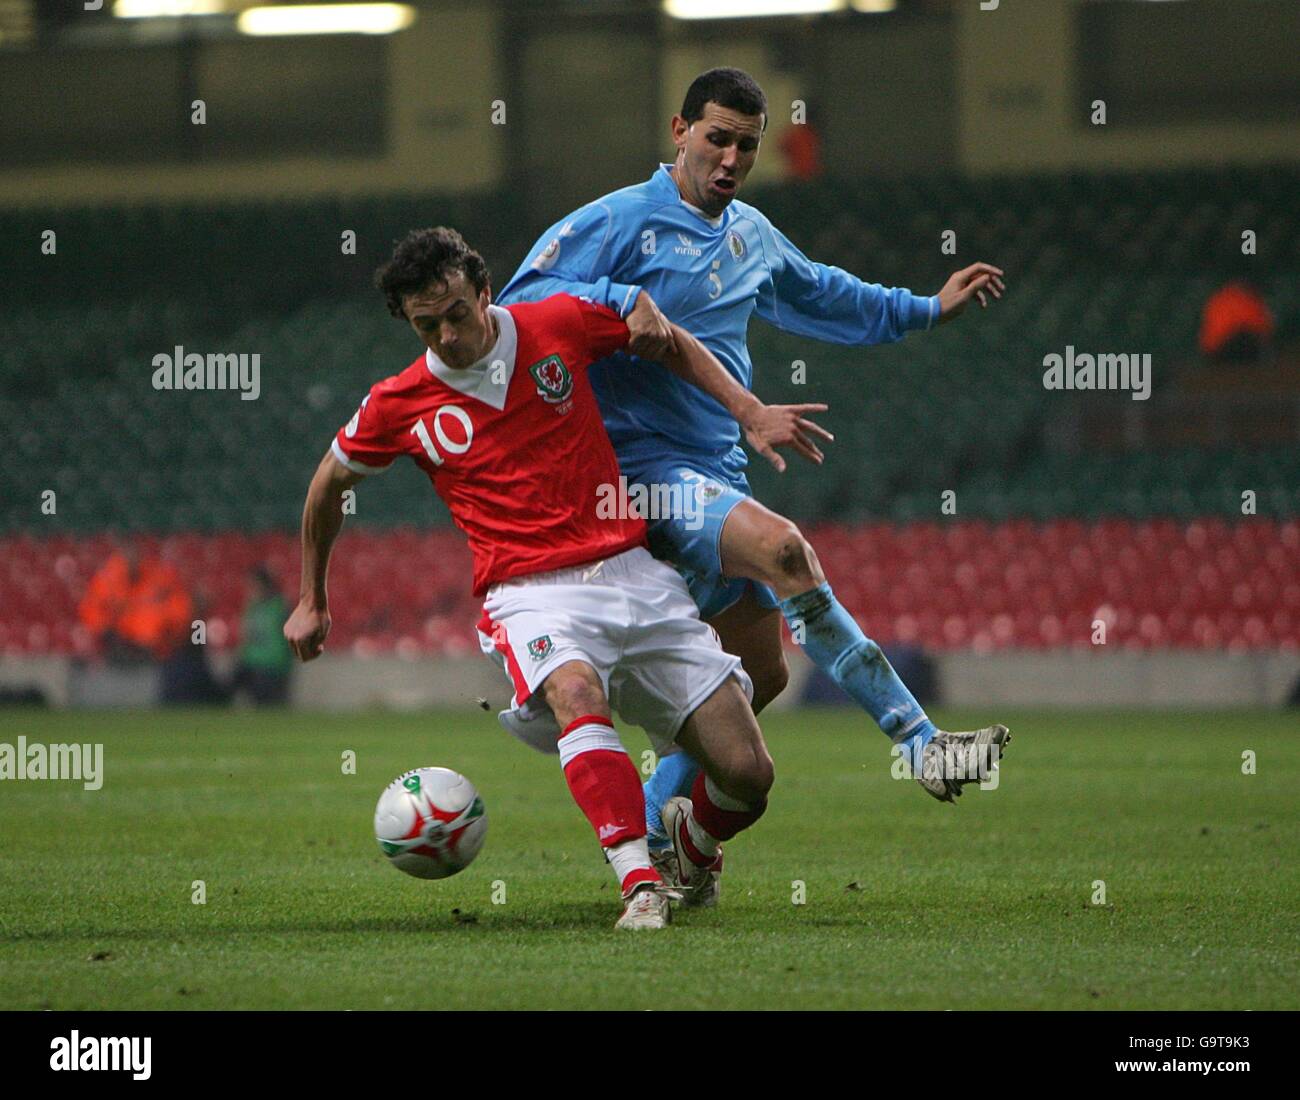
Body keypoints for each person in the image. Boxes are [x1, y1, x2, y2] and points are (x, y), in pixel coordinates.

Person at [498, 67, 1012, 864]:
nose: (731, 157)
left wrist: (925, 307)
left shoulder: (751, 235)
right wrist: (621, 303)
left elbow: (828, 296)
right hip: (635, 475)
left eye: (747, 144)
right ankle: (922, 743)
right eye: (717, 138)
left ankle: (673, 836)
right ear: (679, 132)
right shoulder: (619, 220)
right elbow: (524, 298)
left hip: (715, 474)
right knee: (785, 551)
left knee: (756, 680)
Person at [283, 227, 826, 929]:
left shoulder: (556, 322)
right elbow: (328, 486)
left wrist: (747, 410)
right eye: (427, 324)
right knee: (575, 690)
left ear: (484, 292)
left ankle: (690, 847)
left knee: (749, 774)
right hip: (530, 594)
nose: (447, 334)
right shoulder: (399, 403)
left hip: (635, 573)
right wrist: (311, 599)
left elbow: (667, 338)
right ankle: (638, 883)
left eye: (456, 312)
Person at [229, 566, 293, 705]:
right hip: (249, 663)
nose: (250, 589)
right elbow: (246, 635)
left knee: (264, 696)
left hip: (272, 665)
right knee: (227, 686)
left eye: (253, 585)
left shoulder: (280, 606)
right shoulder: (251, 607)